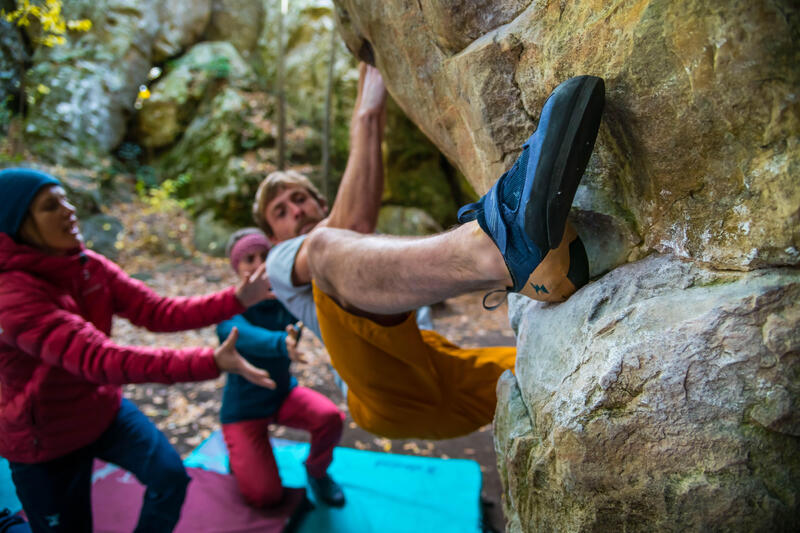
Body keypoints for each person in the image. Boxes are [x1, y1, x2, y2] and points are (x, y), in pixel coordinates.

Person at [259, 64, 604, 440]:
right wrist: (367, 112)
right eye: (281, 212)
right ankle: (499, 250)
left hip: (441, 365)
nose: (295, 211)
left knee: (562, 370)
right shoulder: (280, 261)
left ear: (320, 202)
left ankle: (547, 271)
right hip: (382, 394)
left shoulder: (362, 256)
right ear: (274, 238)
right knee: (325, 249)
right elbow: (350, 225)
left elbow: (353, 231)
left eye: (300, 199)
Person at [0, 168, 276, 533]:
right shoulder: (12, 296)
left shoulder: (87, 266)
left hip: (100, 411)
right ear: (18, 226)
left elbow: (157, 311)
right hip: (45, 443)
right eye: (51, 206)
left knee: (169, 477)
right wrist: (208, 361)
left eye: (65, 199)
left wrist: (238, 299)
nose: (69, 210)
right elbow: (101, 360)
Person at [217, 228, 346, 508]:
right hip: (243, 411)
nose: (259, 264)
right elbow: (239, 332)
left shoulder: (287, 299)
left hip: (282, 396)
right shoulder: (227, 306)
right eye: (249, 259)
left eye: (265, 256)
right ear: (236, 267)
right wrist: (280, 343)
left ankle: (317, 472)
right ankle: (240, 459)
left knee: (329, 418)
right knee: (265, 496)